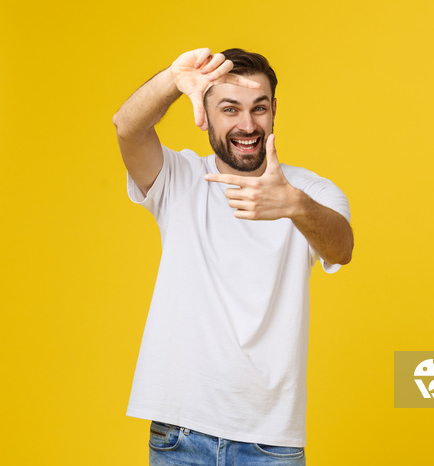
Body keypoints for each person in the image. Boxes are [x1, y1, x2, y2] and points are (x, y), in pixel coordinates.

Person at [112, 47, 354, 465]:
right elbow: (127, 128)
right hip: (180, 434)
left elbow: (341, 249)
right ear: (204, 112)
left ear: (274, 109)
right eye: (230, 108)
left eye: (259, 108)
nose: (247, 125)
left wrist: (295, 205)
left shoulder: (310, 192)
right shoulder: (179, 178)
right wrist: (173, 79)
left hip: (270, 442)